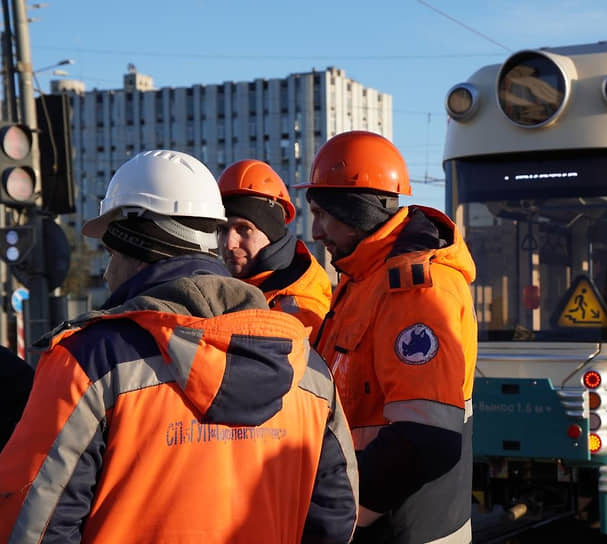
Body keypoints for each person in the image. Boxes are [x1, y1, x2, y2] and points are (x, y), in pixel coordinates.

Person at [0, 149, 358, 543]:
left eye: (110, 252)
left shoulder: (88, 362)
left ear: (136, 243)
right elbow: (336, 517)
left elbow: (33, 525)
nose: (105, 271)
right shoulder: (308, 371)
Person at [294, 131, 477, 543]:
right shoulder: (361, 281)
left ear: (356, 211)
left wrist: (344, 513)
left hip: (402, 526)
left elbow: (426, 436)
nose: (317, 231)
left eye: (323, 214)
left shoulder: (416, 290)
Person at [217, 159, 331, 344]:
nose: (229, 244)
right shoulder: (233, 291)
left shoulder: (301, 312)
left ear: (273, 232)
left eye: (244, 229)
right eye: (222, 230)